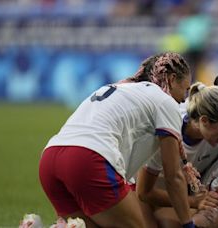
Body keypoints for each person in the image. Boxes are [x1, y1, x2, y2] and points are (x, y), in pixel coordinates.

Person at [39, 52, 196, 227]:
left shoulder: (122, 88)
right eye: (186, 89)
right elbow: (173, 175)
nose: (184, 99)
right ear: (172, 79)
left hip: (50, 159)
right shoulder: (166, 102)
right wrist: (188, 224)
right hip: (87, 157)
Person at [136, 82, 218, 227]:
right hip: (137, 188)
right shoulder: (167, 132)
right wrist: (193, 201)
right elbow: (144, 193)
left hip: (177, 193)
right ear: (204, 121)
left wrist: (202, 194)